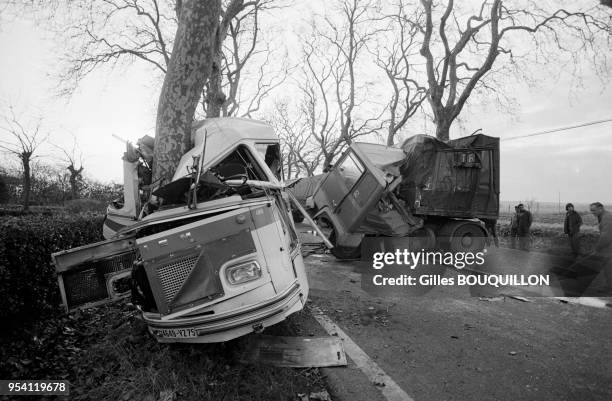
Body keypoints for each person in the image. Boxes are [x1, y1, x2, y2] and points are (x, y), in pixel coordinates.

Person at [589, 202, 612, 291]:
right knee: (607, 267)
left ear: (600, 208)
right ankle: (609, 285)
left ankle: (609, 287)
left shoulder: (607, 218)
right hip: (608, 247)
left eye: (594, 210)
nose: (592, 212)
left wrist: (597, 248)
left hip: (609, 248)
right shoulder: (603, 216)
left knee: (609, 266)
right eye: (591, 211)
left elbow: (606, 236)